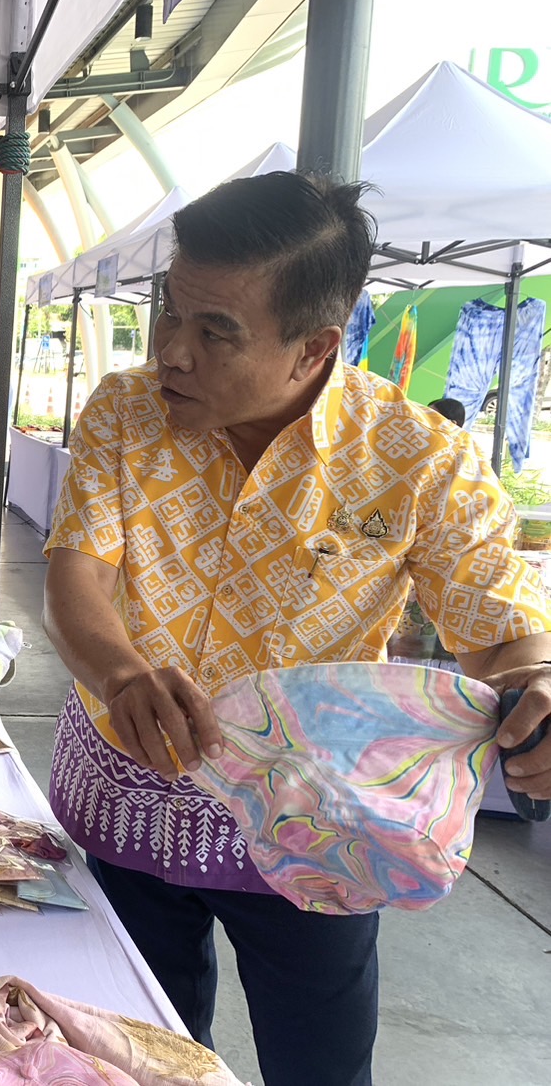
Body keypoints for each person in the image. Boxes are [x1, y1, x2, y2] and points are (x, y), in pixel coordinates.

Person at [42, 171, 551, 1086]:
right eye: (168, 313)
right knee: (121, 1062)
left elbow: (500, 629)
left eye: (215, 331)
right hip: (128, 801)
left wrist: (538, 685)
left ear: (314, 346)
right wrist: (123, 674)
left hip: (317, 831)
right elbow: (75, 574)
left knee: (319, 1068)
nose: (171, 351)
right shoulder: (124, 413)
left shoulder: (416, 459)